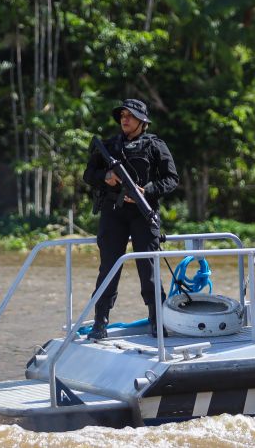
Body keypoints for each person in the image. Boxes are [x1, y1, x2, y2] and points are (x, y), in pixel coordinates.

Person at [83, 99, 179, 340]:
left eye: (131, 115)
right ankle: (100, 322)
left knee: (148, 268)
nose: (125, 119)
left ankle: (157, 320)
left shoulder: (155, 145)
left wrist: (147, 191)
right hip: (113, 214)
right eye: (122, 115)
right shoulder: (108, 146)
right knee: (108, 268)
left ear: (142, 122)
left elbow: (171, 179)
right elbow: (88, 174)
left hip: (143, 213)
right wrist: (106, 176)